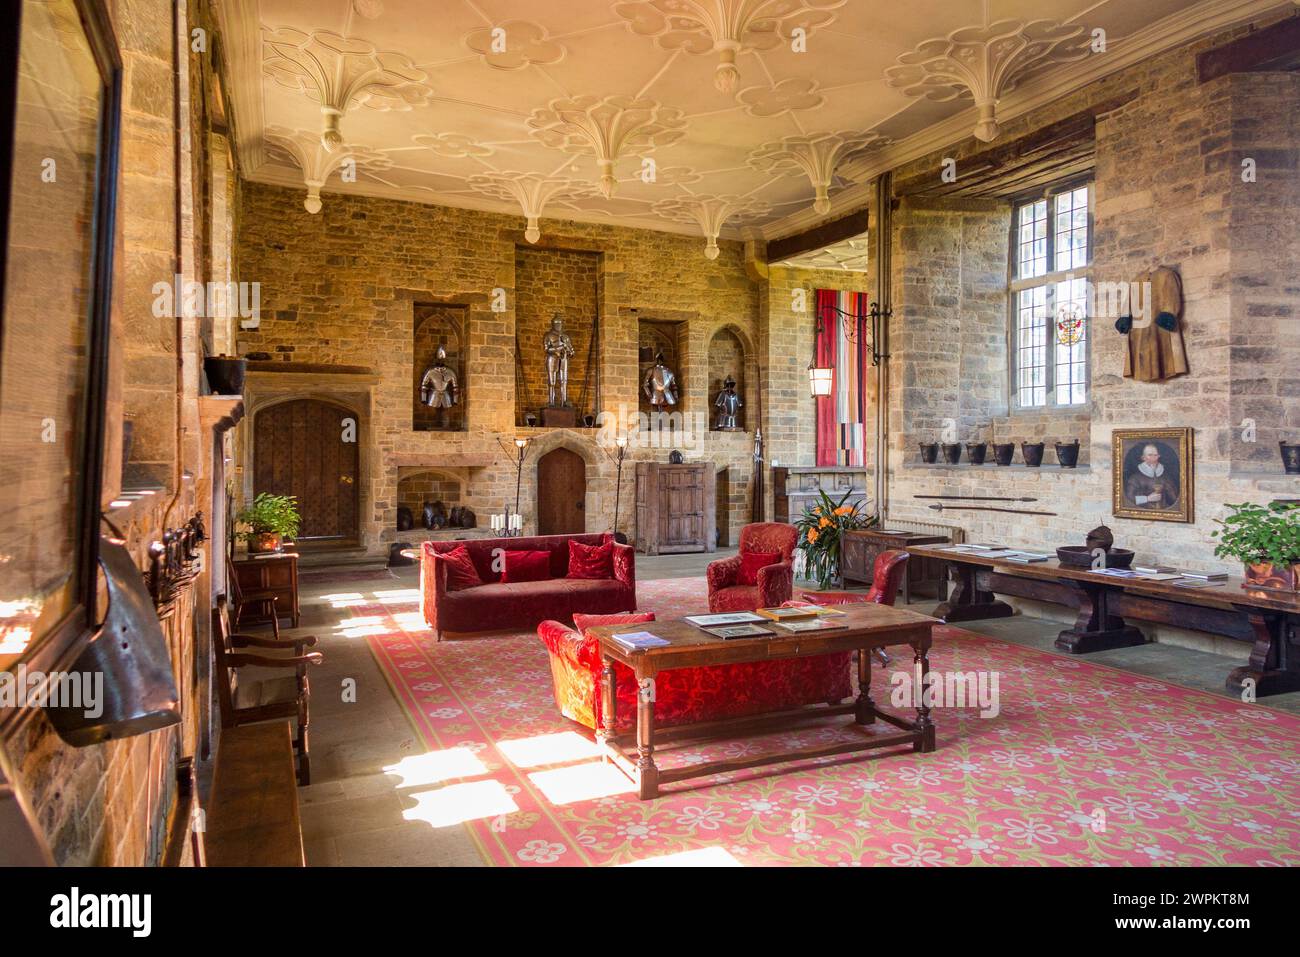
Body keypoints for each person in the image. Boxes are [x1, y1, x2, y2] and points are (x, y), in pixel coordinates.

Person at [1124, 443, 1178, 508]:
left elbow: (1174, 499)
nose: (1153, 458)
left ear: (1158, 456)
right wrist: (1147, 498)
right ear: (1143, 458)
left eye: (1155, 455)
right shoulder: (1135, 478)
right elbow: (1129, 498)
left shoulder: (1165, 476)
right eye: (1150, 455)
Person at [543, 314, 575, 407]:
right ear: (553, 324)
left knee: (564, 381)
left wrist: (569, 351)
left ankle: (564, 401)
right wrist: (560, 347)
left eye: (560, 324)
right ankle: (551, 402)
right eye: (557, 324)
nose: (558, 326)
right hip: (552, 359)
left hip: (563, 359)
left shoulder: (565, 337)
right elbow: (547, 349)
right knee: (552, 381)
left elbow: (571, 351)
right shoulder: (549, 336)